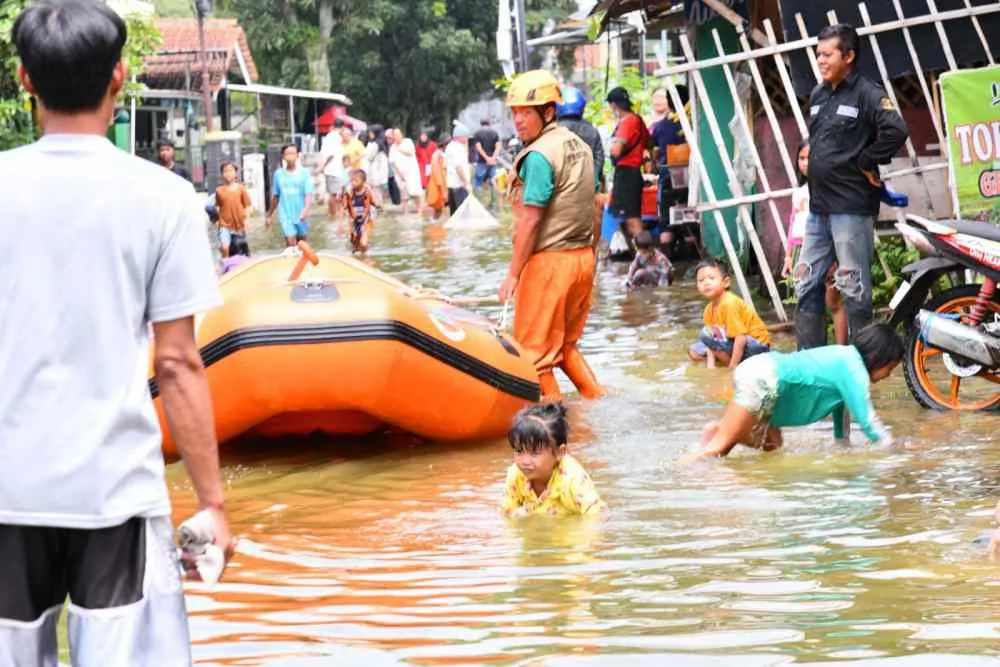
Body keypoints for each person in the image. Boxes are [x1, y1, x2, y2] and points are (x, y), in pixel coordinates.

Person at [0, 2, 233, 663]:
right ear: (120, 78)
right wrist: (212, 502)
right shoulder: (162, 199)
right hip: (114, 493)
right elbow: (180, 363)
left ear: (25, 81)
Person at [795, 22, 909, 349]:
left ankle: (862, 366)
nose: (820, 60)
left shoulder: (868, 93)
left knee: (854, 290)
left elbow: (896, 130)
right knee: (806, 285)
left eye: (827, 54)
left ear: (848, 55)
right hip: (819, 209)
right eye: (818, 54)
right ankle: (810, 365)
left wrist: (868, 160)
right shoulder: (818, 94)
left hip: (851, 207)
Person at [501, 69, 603, 401]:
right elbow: (596, 206)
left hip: (550, 263)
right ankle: (596, 401)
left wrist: (513, 274)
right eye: (514, 112)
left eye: (525, 112)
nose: (518, 120)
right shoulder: (580, 147)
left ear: (548, 112)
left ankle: (556, 429)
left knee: (534, 359)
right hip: (582, 259)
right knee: (566, 346)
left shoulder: (540, 156)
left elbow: (531, 220)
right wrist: (593, 259)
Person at [682, 324, 903, 463]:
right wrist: (894, 446)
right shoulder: (854, 369)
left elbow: (841, 416)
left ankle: (719, 430)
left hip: (761, 371)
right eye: (890, 368)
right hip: (767, 379)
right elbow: (867, 419)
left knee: (772, 444)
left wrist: (842, 446)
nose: (888, 375)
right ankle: (683, 471)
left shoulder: (843, 358)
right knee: (716, 450)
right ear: (878, 356)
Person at [784, 143, 848, 346]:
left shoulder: (829, 188)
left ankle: (841, 348)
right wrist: (788, 254)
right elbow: (793, 222)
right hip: (801, 249)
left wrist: (835, 257)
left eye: (809, 158)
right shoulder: (800, 191)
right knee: (806, 299)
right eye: (801, 158)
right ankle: (814, 350)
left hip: (824, 248)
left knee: (833, 301)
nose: (805, 163)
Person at [499, 403, 607, 518]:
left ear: (560, 452)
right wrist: (514, 514)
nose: (525, 461)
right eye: (519, 451)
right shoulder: (516, 474)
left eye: (535, 453)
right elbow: (505, 509)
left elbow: (599, 515)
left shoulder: (572, 479)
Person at [688, 259, 771, 369]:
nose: (706, 283)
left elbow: (740, 338)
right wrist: (710, 367)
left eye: (711, 278)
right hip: (735, 341)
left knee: (705, 334)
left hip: (757, 344)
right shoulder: (708, 310)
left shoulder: (729, 303)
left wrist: (732, 367)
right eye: (701, 280)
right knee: (694, 350)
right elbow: (712, 341)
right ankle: (729, 361)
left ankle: (733, 365)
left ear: (726, 282)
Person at [557, 85, 605, 249]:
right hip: (588, 190)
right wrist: (595, 184)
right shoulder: (592, 130)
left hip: (562, 193)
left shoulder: (555, 130)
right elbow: (600, 159)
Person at [606, 87, 649, 248]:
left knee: (631, 218)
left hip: (626, 174)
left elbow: (616, 151)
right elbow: (649, 142)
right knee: (627, 217)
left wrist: (612, 147)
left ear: (614, 105)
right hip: (634, 173)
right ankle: (638, 254)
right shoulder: (637, 119)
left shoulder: (627, 122)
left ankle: (644, 256)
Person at [267, 143, 314, 247]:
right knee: (290, 241)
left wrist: (305, 210)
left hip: (301, 212)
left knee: (302, 243)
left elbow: (308, 194)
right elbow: (276, 196)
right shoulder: (278, 174)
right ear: (283, 156)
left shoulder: (305, 173)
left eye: (293, 153)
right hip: (285, 213)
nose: (290, 156)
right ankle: (290, 261)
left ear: (297, 155)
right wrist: (269, 214)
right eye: (287, 154)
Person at [214, 161, 252, 259]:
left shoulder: (241, 189)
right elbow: (218, 206)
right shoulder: (219, 190)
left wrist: (247, 220)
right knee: (225, 246)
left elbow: (247, 205)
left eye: (230, 171)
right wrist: (218, 220)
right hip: (224, 224)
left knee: (240, 246)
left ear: (236, 173)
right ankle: (225, 264)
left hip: (239, 224)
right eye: (225, 171)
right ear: (222, 174)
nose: (228, 173)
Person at [389, 128, 423, 215]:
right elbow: (392, 162)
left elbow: (411, 152)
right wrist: (399, 174)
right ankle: (405, 212)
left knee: (415, 192)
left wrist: (399, 148)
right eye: (395, 135)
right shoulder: (393, 147)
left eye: (398, 135)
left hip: (412, 172)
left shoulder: (408, 141)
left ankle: (419, 210)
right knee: (404, 194)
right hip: (400, 174)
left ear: (401, 135)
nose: (397, 137)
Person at [343, 169, 375, 254]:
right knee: (355, 246)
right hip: (354, 222)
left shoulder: (367, 193)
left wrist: (371, 191)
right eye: (352, 180)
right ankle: (361, 254)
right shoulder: (350, 193)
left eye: (356, 181)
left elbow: (376, 203)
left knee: (363, 244)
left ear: (363, 182)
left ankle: (366, 255)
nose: (353, 183)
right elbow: (344, 208)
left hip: (366, 222)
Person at [473, 117, 501, 210]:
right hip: (492, 163)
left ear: (481, 123)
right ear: (489, 123)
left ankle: (478, 205)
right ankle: (493, 205)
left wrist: (486, 158)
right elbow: (498, 147)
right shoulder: (495, 133)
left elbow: (478, 147)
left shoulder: (477, 134)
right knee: (493, 183)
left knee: (478, 183)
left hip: (481, 162)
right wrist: (493, 158)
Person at [320, 118, 345, 219]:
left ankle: (332, 213)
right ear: (342, 127)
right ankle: (334, 214)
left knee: (332, 193)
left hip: (331, 169)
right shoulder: (336, 138)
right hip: (333, 169)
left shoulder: (328, 137)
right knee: (334, 194)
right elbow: (331, 155)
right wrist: (323, 166)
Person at [445, 124, 471, 215]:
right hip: (459, 186)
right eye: (466, 137)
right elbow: (458, 167)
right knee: (463, 215)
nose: (467, 139)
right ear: (460, 137)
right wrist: (466, 182)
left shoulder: (450, 146)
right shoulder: (457, 148)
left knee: (454, 215)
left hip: (452, 186)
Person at [424, 133, 449, 220]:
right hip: (438, 186)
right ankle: (435, 226)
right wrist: (442, 189)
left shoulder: (444, 154)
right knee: (438, 209)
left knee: (442, 209)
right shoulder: (437, 155)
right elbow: (436, 173)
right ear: (444, 144)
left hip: (444, 184)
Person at [363, 125, 390, 204]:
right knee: (378, 191)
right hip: (380, 171)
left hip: (376, 170)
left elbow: (369, 156)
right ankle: (380, 208)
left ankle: (378, 207)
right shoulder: (382, 142)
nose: (369, 134)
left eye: (371, 132)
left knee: (376, 191)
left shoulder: (376, 144)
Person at [414, 127, 438, 192]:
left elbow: (436, 156)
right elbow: (416, 157)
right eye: (422, 136)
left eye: (424, 136)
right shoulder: (417, 146)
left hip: (432, 165)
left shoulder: (433, 144)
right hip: (422, 167)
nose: (423, 138)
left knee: (432, 182)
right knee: (423, 184)